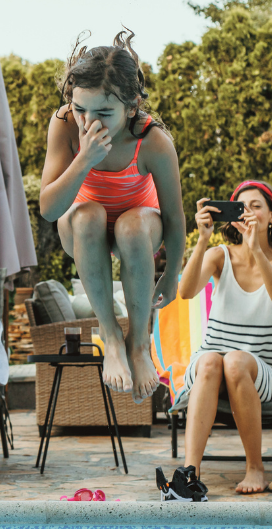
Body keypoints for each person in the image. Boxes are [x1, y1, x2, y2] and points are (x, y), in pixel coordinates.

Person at [39, 30, 185, 403]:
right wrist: (84, 160)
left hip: (138, 232)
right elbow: (49, 208)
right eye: (80, 108)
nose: (89, 122)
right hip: (82, 231)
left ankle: (139, 343)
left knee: (132, 225)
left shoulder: (153, 141)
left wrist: (171, 275)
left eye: (104, 113)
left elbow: (173, 216)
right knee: (88, 215)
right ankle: (111, 338)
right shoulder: (65, 125)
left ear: (132, 106)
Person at [177, 180, 272, 494]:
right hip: (213, 368)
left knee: (234, 361)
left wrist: (256, 251)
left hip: (267, 371)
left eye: (257, 205)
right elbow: (186, 291)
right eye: (242, 206)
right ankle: (189, 473)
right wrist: (202, 239)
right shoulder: (219, 256)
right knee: (209, 360)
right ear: (233, 217)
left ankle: (255, 468)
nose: (250, 212)